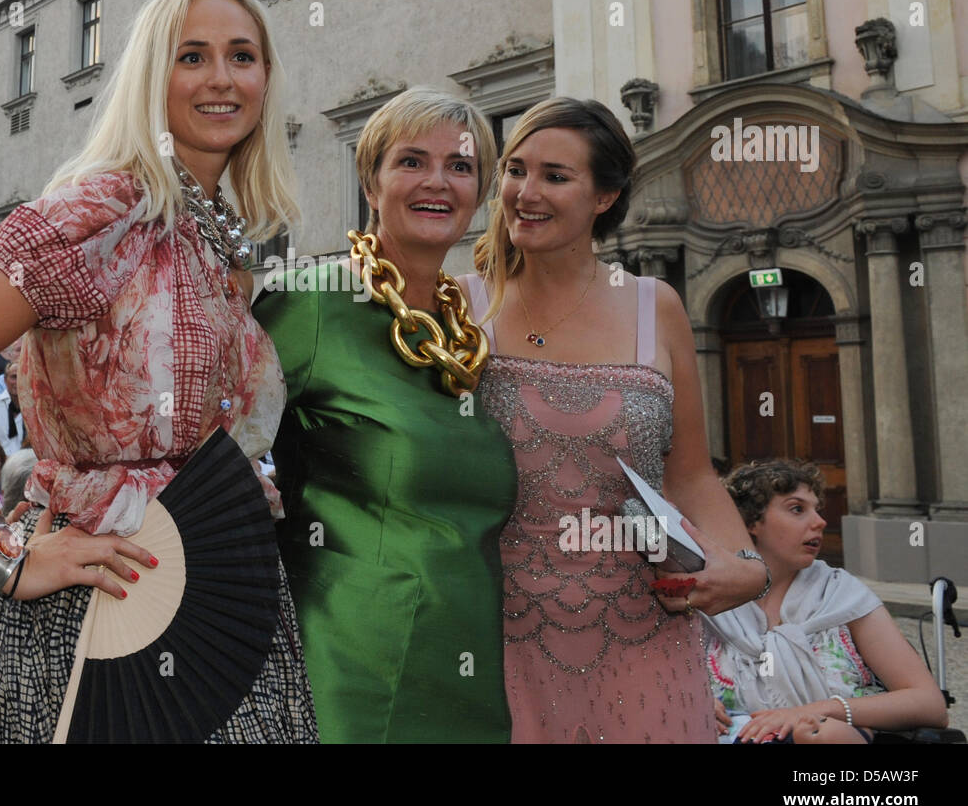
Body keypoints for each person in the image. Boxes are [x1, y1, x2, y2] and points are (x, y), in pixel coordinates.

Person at [0, 0, 316, 744]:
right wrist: (2, 556)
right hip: (106, 595)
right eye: (192, 56)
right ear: (152, 75)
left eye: (243, 56)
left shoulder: (218, 233)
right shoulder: (109, 207)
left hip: (220, 584)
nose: (222, 78)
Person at [465, 97, 767, 743]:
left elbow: (690, 475)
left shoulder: (656, 306)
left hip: (646, 629)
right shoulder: (461, 307)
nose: (525, 193)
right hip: (496, 638)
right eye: (516, 170)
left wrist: (746, 563)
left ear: (605, 197)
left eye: (555, 176)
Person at [255, 88, 513, 743]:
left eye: (461, 166)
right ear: (371, 184)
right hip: (346, 674)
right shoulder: (312, 304)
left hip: (468, 669)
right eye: (412, 161)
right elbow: (199, 449)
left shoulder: (469, 337)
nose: (438, 182)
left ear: (481, 193)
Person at [704, 460, 949, 744]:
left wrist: (817, 710)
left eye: (816, 509)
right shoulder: (713, 600)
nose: (820, 521)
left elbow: (930, 704)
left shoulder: (841, 596)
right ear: (750, 523)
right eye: (797, 509)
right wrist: (697, 703)